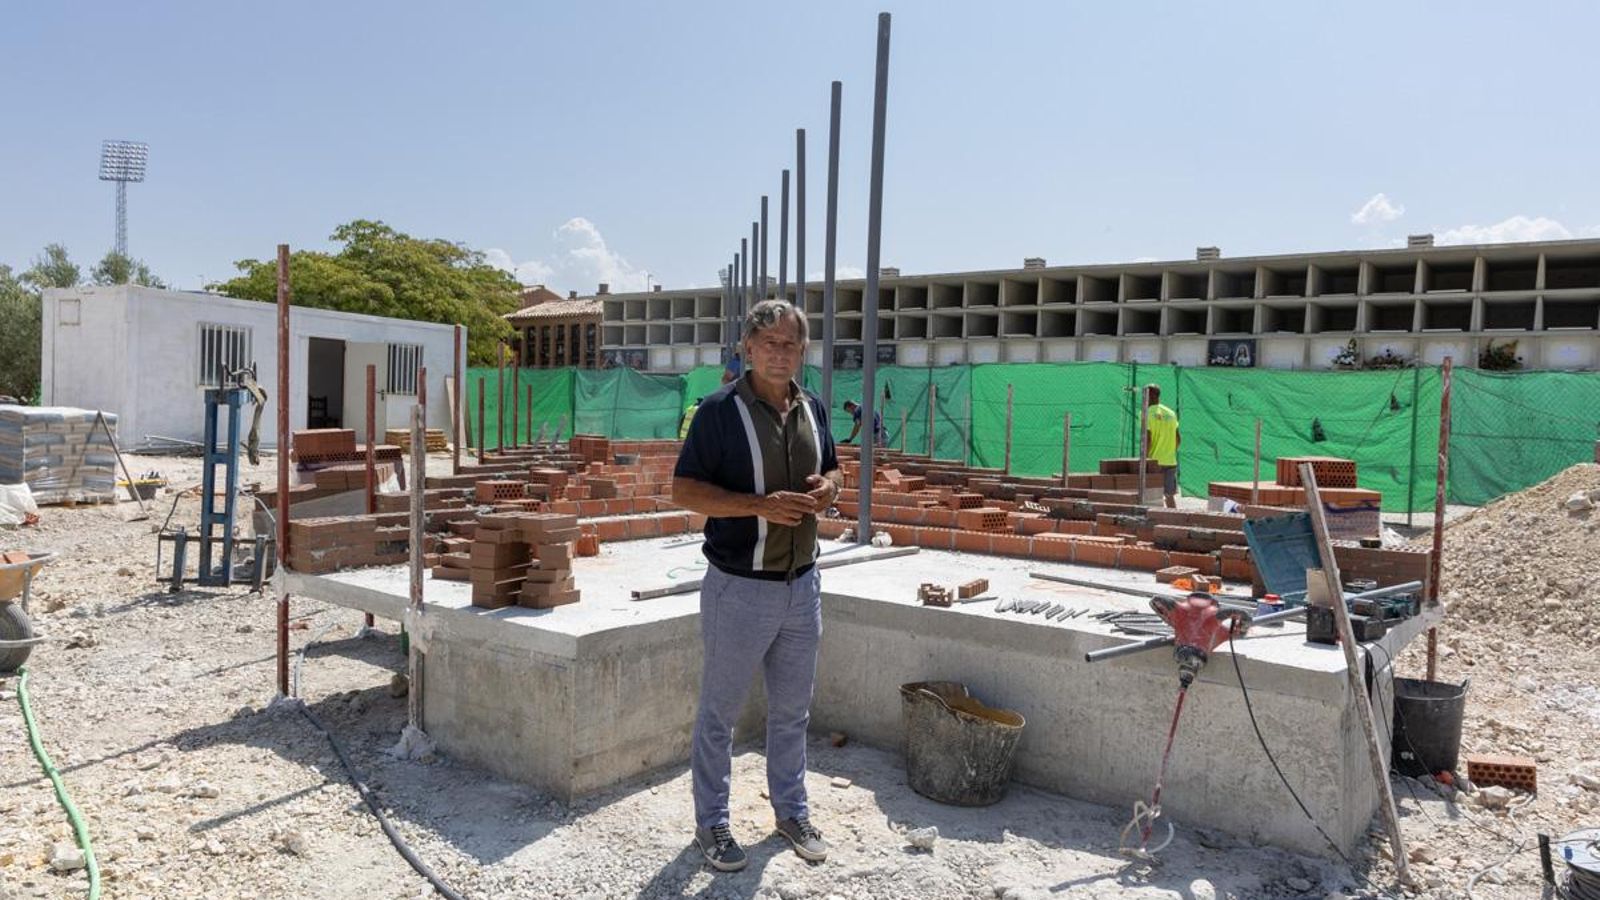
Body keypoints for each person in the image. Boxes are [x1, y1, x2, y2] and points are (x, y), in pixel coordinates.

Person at [672, 299, 842, 872]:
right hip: (739, 589)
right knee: (719, 715)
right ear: (746, 346)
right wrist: (757, 507)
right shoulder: (719, 411)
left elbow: (837, 470)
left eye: (790, 343)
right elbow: (686, 492)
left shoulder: (812, 407)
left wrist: (829, 491)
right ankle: (711, 823)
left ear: (802, 351)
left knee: (792, 711)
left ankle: (790, 810)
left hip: (803, 585)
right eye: (768, 341)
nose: (779, 352)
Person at [1142, 384, 1180, 508]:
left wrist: (1145, 460)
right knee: (1169, 496)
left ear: (1150, 396)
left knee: (1152, 496)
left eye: (1145, 395)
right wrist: (1169, 451)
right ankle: (1173, 521)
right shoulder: (1171, 413)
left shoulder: (1146, 413)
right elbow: (1178, 439)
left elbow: (1147, 439)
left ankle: (1155, 522)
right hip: (1170, 461)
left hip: (1154, 462)